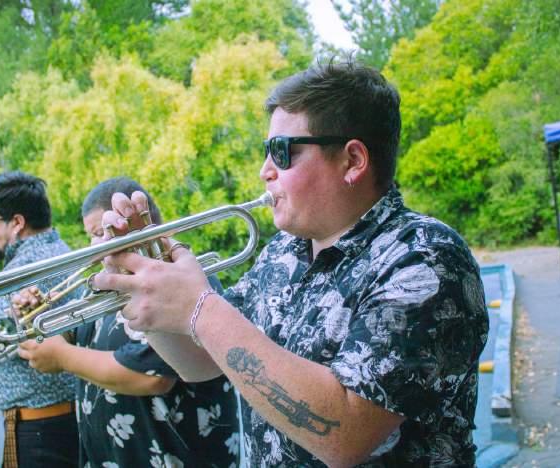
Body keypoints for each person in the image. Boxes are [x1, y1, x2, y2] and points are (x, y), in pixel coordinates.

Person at [93, 60, 489, 466]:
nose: (264, 171)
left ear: (353, 160)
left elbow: (345, 435)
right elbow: (204, 362)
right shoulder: (284, 251)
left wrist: (200, 308)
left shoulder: (425, 258)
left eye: (282, 152)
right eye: (266, 152)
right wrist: (144, 286)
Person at [16, 177, 240, 467]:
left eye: (101, 232)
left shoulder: (186, 277)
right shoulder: (103, 284)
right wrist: (34, 316)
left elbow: (153, 376)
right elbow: (72, 337)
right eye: (90, 235)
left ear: (137, 224)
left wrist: (61, 357)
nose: (94, 246)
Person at [0, 171, 79, 467]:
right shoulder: (51, 251)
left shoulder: (30, 266)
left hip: (40, 426)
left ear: (17, 223)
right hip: (48, 421)